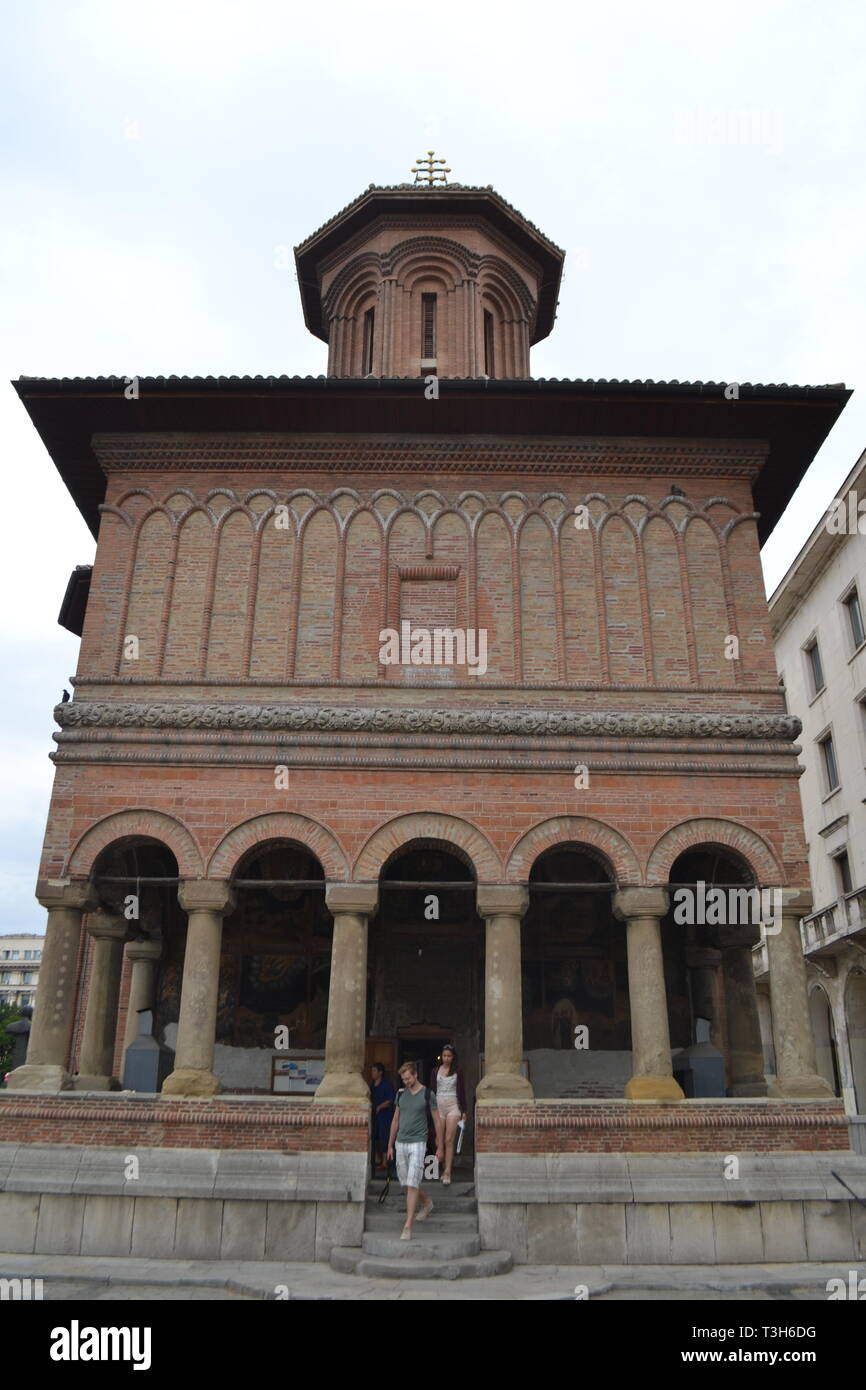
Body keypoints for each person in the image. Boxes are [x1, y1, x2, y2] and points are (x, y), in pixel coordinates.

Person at [386, 1060, 443, 1240]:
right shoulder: (401, 1094)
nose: (406, 1082)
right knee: (406, 1183)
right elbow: (395, 1120)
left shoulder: (428, 1094)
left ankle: (408, 1226)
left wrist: (440, 1145)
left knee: (412, 1183)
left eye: (409, 1078)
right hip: (400, 1142)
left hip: (418, 1142)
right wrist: (389, 1144)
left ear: (415, 1075)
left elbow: (437, 1120)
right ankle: (426, 1202)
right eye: (403, 1079)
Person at [428, 1043, 466, 1185]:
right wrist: (430, 1108)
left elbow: (461, 1092)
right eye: (444, 1055)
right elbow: (431, 1091)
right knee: (439, 1140)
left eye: (449, 1056)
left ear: (453, 1057)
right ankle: (441, 1167)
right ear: (441, 1056)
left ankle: (448, 1171)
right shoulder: (435, 1070)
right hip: (438, 1105)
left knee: (449, 1139)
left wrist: (464, 1111)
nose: (446, 1058)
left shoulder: (458, 1071)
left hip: (453, 1105)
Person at [369, 1061, 395, 1171]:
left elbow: (390, 1100)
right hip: (374, 1116)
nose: (372, 1073)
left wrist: (380, 1107)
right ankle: (376, 1159)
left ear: (380, 1072)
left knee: (384, 1138)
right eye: (372, 1071)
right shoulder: (371, 1086)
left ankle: (385, 1161)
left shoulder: (386, 1085)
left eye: (374, 1071)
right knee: (373, 1137)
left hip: (384, 1116)